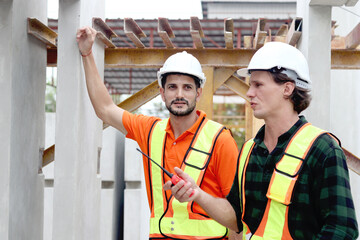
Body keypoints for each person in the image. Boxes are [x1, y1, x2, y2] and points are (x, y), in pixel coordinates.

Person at [165, 41, 359, 239]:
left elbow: (342, 230)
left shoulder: (322, 149)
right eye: (251, 85)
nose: (249, 93)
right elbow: (236, 217)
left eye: (258, 85)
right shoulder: (249, 151)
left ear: (287, 88)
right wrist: (197, 194)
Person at [76, 26, 240, 239]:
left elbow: (237, 217)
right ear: (162, 93)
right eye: (172, 87)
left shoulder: (220, 139)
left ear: (198, 93)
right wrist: (87, 54)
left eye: (187, 88)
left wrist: (197, 195)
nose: (179, 94)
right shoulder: (150, 130)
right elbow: (105, 110)